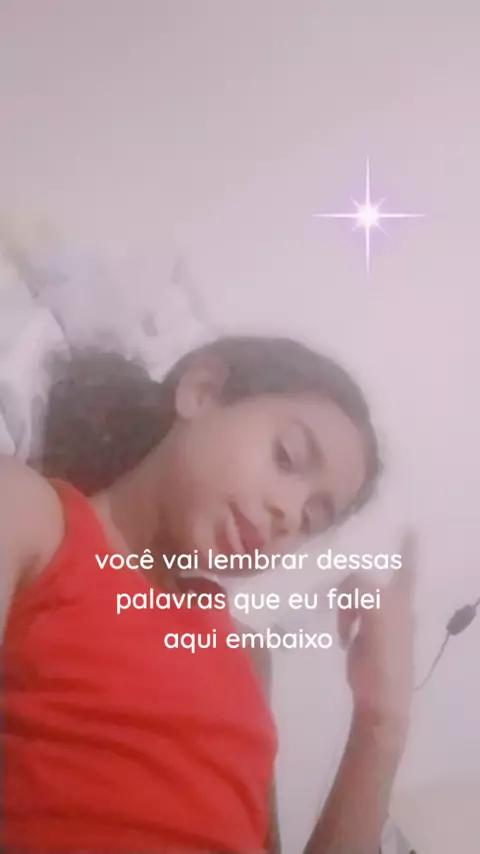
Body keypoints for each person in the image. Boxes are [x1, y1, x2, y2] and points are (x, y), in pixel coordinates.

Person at [1, 333, 416, 854]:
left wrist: (381, 722)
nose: (289, 515)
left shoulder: (248, 654)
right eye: (286, 457)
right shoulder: (31, 516)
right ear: (201, 391)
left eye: (312, 520)